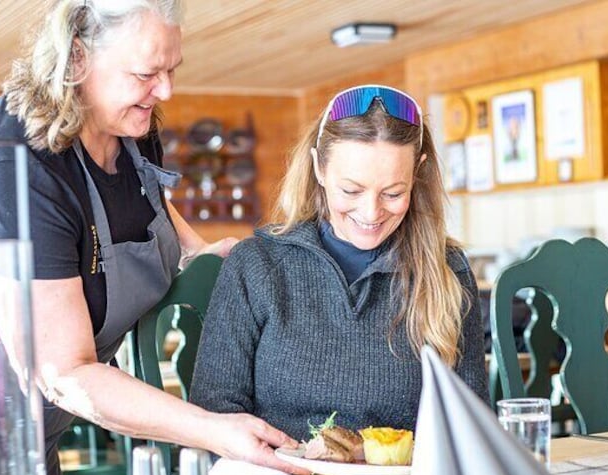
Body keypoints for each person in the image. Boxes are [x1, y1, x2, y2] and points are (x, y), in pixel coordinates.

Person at [0, 0, 305, 475]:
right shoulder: (9, 169)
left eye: (171, 70)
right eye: (146, 73)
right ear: (77, 59)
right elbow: (64, 371)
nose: (166, 91)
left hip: (40, 412)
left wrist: (198, 252)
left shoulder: (130, 128)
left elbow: (144, 205)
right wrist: (213, 431)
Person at [190, 85, 488, 441]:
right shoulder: (256, 266)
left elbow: (473, 424)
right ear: (319, 168)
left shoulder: (446, 270)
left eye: (393, 193)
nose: (371, 212)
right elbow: (213, 418)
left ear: (418, 175)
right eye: (351, 190)